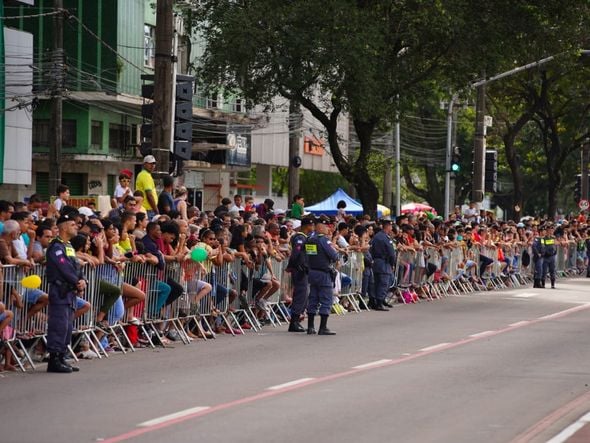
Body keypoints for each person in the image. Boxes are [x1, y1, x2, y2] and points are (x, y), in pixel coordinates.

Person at [45, 210, 86, 373]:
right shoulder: (56, 246)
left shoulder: (68, 246)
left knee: (67, 326)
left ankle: (62, 356)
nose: (76, 227)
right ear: (63, 228)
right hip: (60, 290)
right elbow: (64, 267)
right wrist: (77, 282)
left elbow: (75, 265)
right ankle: (54, 359)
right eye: (72, 225)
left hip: (70, 292)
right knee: (59, 325)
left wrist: (83, 280)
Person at [305, 215, 339, 335]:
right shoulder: (323, 240)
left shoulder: (310, 238)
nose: (328, 229)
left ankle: (310, 327)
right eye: (326, 226)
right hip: (323, 272)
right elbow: (334, 256)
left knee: (313, 299)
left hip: (312, 271)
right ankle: (323, 327)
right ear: (320, 226)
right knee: (326, 299)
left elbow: (310, 255)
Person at [286, 216, 314, 332]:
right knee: (300, 295)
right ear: (307, 226)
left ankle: (297, 319)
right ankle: (294, 322)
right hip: (299, 270)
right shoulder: (300, 238)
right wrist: (292, 266)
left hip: (305, 269)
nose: (312, 227)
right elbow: (295, 254)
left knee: (304, 295)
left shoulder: (307, 238)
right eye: (311, 225)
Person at [369, 219, 396, 310]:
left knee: (377, 282)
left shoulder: (376, 236)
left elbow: (371, 249)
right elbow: (391, 253)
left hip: (376, 262)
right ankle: (379, 302)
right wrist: (392, 263)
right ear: (387, 226)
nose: (391, 228)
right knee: (384, 283)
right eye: (390, 226)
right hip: (384, 262)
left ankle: (378, 301)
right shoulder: (385, 238)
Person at [542, 224, 557, 288]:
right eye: (549, 230)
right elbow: (543, 246)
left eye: (551, 230)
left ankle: (552, 285)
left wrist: (555, 252)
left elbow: (555, 245)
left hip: (552, 257)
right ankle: (543, 284)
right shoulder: (543, 239)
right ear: (546, 231)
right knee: (544, 271)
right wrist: (545, 252)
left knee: (552, 271)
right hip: (545, 257)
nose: (550, 231)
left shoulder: (553, 238)